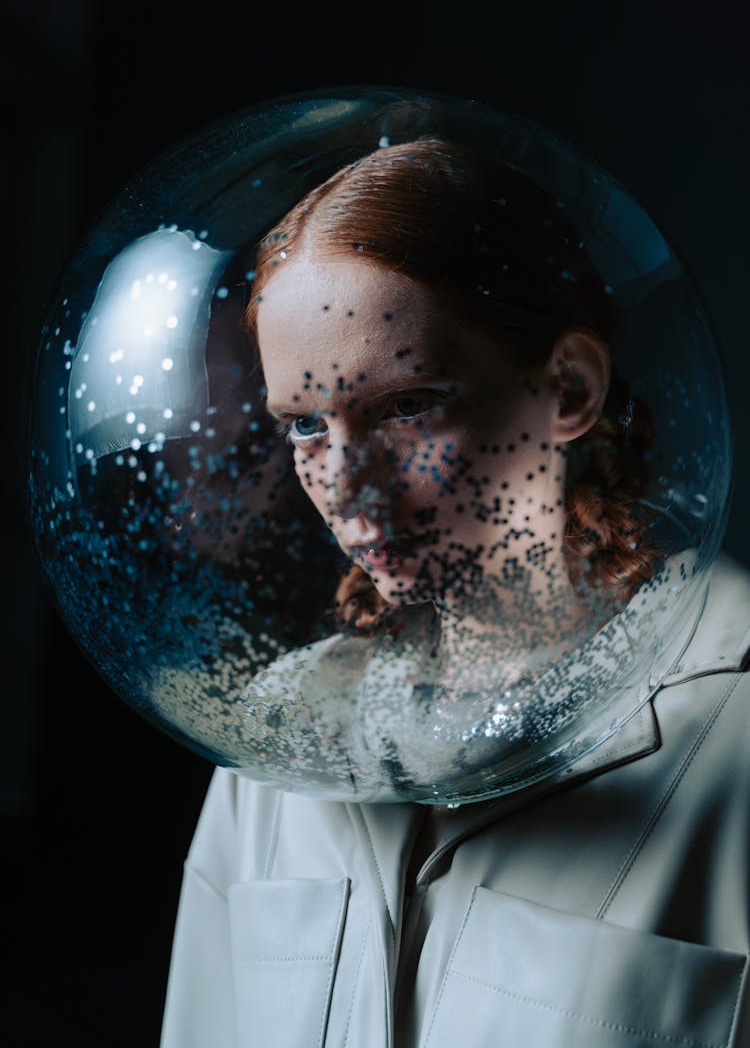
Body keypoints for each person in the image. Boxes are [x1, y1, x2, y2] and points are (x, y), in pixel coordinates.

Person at [160, 139, 750, 1046]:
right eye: (306, 425)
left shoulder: (737, 723)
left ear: (568, 387)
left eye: (406, 407)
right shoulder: (288, 736)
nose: (348, 488)